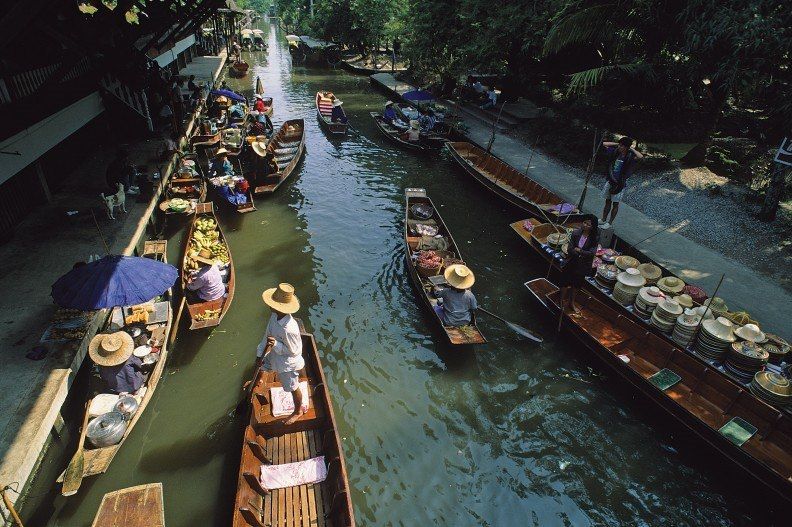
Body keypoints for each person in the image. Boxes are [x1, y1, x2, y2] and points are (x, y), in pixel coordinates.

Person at [256, 283, 305, 425]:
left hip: (288, 363)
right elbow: (267, 336)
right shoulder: (274, 316)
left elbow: (294, 351)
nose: (269, 305)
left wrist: (276, 344)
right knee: (262, 364)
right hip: (274, 353)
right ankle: (258, 380)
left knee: (292, 386)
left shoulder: (289, 329)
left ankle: (297, 411)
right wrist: (259, 355)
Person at [559, 214, 600, 314]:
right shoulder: (576, 233)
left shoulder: (594, 238)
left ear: (593, 227)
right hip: (571, 262)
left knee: (576, 285)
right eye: (585, 222)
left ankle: (571, 302)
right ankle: (561, 301)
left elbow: (591, 253)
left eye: (588, 224)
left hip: (583, 265)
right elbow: (570, 249)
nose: (585, 225)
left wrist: (580, 251)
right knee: (565, 282)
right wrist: (581, 253)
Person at [601, 137, 643, 224]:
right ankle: (603, 219)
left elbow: (640, 156)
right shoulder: (615, 152)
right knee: (607, 201)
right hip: (610, 180)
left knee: (615, 204)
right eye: (619, 145)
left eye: (622, 146)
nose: (619, 147)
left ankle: (609, 223)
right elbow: (604, 144)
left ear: (626, 147)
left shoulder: (630, 157)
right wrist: (618, 144)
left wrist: (631, 148)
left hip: (620, 183)